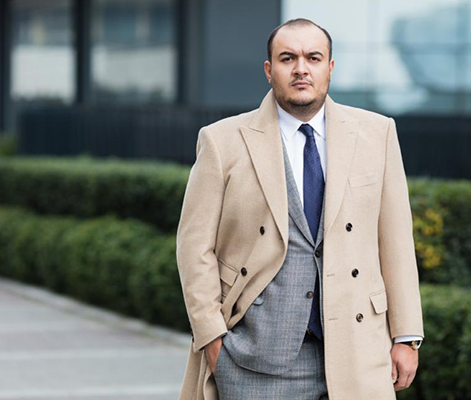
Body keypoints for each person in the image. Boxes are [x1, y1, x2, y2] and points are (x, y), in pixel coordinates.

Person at [176, 18, 424, 400]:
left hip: (358, 351)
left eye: (313, 57)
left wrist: (406, 336)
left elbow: (396, 241)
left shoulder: (377, 134)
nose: (301, 69)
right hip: (254, 359)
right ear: (269, 70)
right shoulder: (222, 141)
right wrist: (212, 339)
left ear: (330, 67)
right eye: (287, 58)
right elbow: (194, 248)